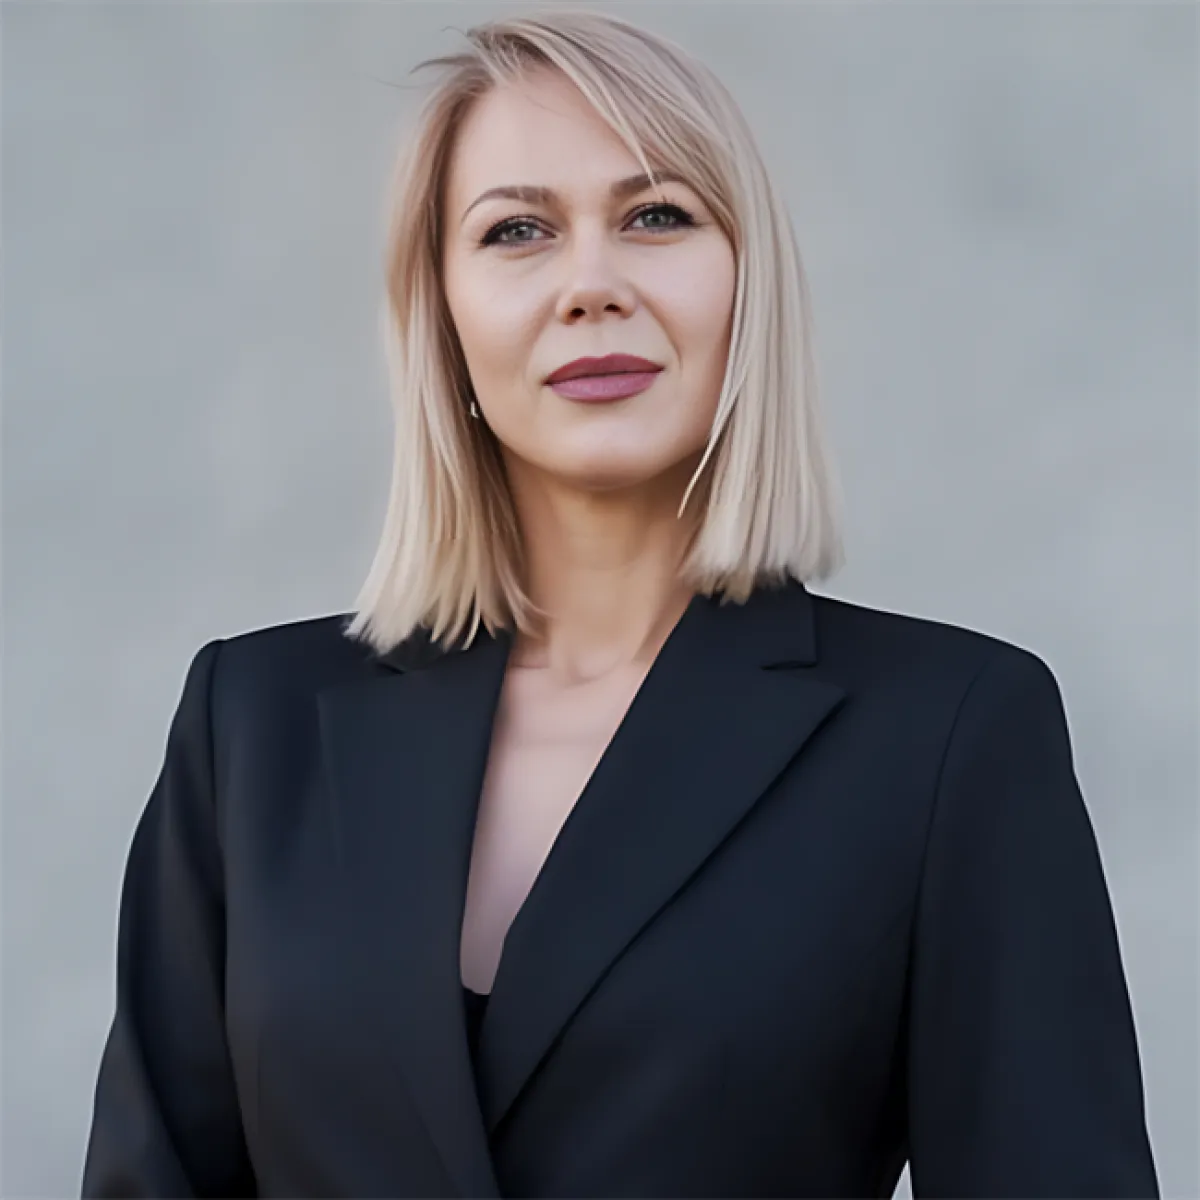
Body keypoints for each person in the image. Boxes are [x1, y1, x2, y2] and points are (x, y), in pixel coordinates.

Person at [80, 9, 1161, 1198]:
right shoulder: (251, 725)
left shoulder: (949, 732)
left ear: (747, 285)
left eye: (656, 216)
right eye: (517, 230)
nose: (590, 285)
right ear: (442, 311)